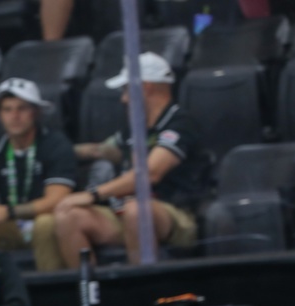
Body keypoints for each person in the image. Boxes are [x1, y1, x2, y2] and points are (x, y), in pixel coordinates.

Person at [53, 53, 208, 267]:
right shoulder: (134, 127)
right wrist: (55, 150)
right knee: (68, 216)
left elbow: (149, 175)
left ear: (145, 88)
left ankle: (144, 290)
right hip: (125, 211)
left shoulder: (179, 124)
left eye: (126, 90)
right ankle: (91, 293)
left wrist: (92, 195)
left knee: (137, 210)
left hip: (176, 215)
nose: (123, 99)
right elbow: (102, 150)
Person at [0, 78, 77, 271]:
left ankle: (51, 289)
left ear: (35, 112)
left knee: (45, 224)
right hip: (12, 225)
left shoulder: (55, 144)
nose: (15, 116)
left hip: (48, 220)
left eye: (22, 108)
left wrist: (9, 211)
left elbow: (57, 201)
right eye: (7, 109)